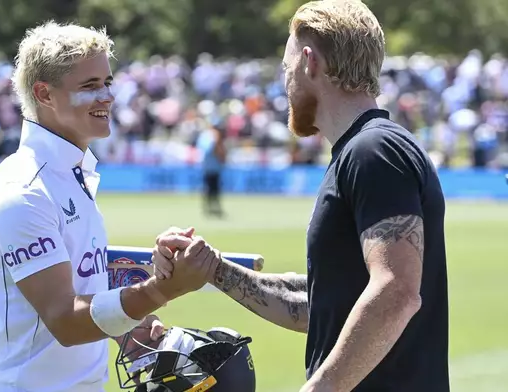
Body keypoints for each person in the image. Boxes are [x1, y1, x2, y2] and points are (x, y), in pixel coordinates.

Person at [152, 1, 449, 391]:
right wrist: (215, 268)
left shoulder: (372, 150)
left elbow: (396, 291)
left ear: (309, 62)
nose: (284, 82)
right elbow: (319, 304)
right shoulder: (361, 150)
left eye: (285, 67)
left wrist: (320, 388)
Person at [0, 21, 215, 392]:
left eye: (107, 83)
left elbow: (83, 290)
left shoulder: (70, 175)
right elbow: (65, 321)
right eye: (90, 86)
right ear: (45, 94)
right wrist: (161, 290)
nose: (107, 97)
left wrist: (128, 324)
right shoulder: (23, 191)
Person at [197, 127, 226, 217]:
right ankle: (208, 207)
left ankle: (215, 207)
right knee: (208, 188)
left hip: (216, 167)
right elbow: (208, 150)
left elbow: (222, 154)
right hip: (208, 167)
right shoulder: (206, 136)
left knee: (216, 189)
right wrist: (216, 142)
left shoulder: (217, 137)